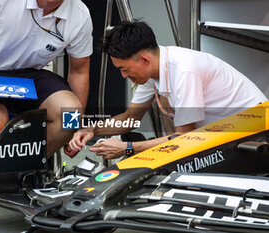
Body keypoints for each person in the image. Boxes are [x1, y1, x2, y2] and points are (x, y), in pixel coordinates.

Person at [64, 20, 268, 159]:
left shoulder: (185, 70)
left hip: (256, 135)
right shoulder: (151, 70)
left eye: (124, 69)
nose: (124, 76)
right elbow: (130, 118)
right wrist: (90, 129)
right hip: (222, 134)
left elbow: (184, 139)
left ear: (144, 59)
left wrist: (127, 148)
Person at [0, 0, 92, 203]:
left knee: (71, 116)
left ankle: (20, 174)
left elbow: (79, 70)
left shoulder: (79, 14)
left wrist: (76, 128)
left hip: (29, 75)